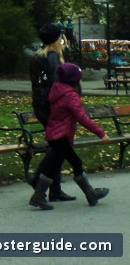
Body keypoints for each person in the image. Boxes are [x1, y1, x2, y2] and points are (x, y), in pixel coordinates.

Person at [29, 63, 111, 210]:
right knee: (55, 166)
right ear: (74, 80)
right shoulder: (71, 96)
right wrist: (101, 133)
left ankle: (90, 194)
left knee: (70, 163)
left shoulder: (57, 91)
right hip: (62, 136)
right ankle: (38, 196)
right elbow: (82, 117)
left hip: (55, 134)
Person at [28, 23, 74, 201]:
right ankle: (40, 181)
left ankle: (54, 189)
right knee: (59, 148)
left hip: (41, 105)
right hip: (50, 106)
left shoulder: (38, 56)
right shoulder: (52, 56)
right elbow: (57, 83)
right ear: (57, 38)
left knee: (57, 147)